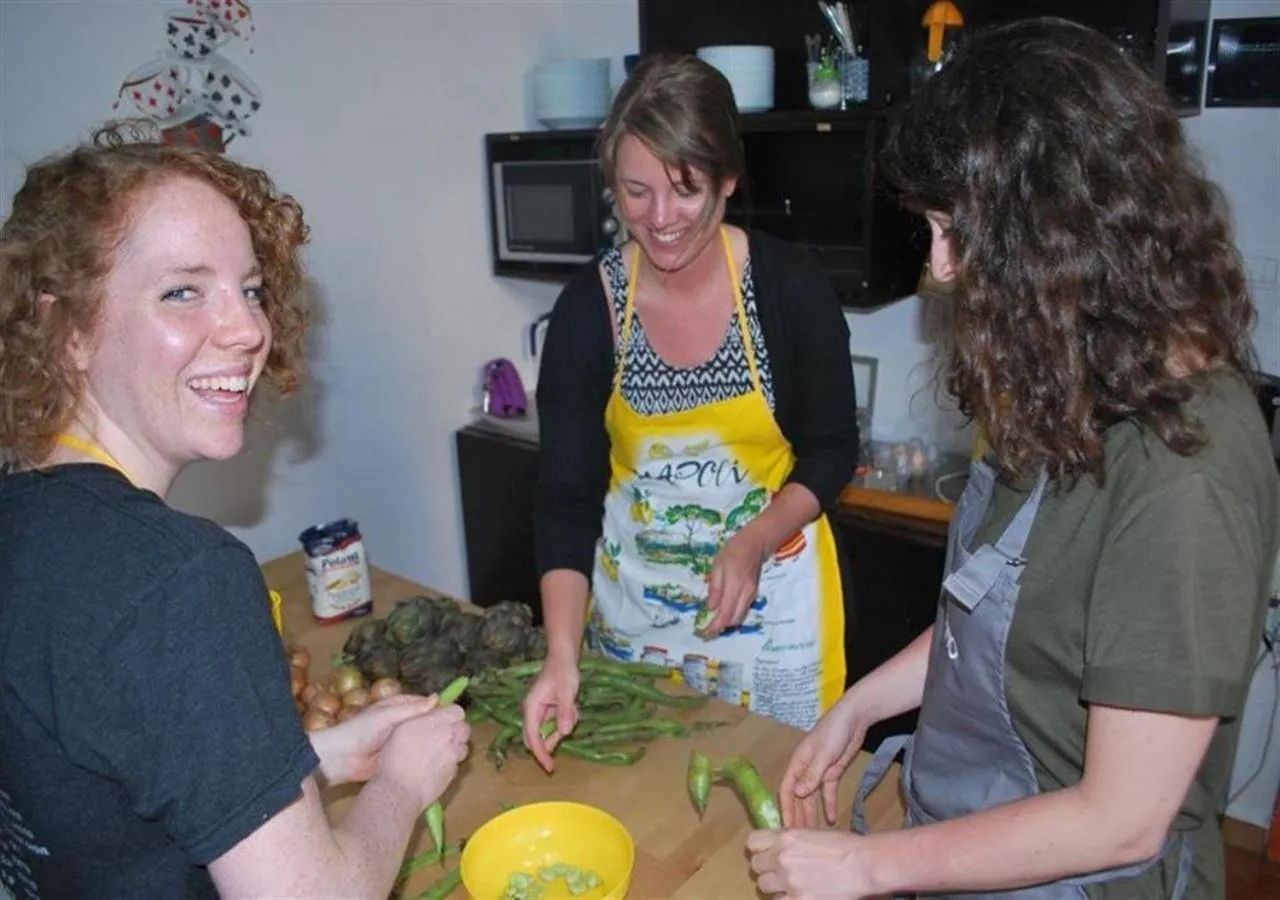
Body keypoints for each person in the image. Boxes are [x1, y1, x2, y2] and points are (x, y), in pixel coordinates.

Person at [748, 16, 1280, 900]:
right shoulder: (1074, 383)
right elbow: (998, 619)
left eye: (955, 229)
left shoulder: (1188, 469)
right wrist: (862, 703)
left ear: (1058, 230)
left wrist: (868, 864)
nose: (942, 268)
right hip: (972, 847)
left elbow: (1123, 815)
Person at [0, 122, 470, 899]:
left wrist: (305, 759)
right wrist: (402, 788)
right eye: (182, 291)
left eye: (250, 289)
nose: (249, 328)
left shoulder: (24, 519)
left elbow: (96, 802)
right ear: (67, 330)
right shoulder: (180, 581)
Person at [521, 53, 861, 768]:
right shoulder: (590, 311)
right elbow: (565, 500)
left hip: (771, 623)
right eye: (636, 192)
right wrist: (559, 654)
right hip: (633, 623)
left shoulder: (789, 292)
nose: (661, 219)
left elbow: (831, 450)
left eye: (686, 189)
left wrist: (754, 539)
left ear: (729, 179)